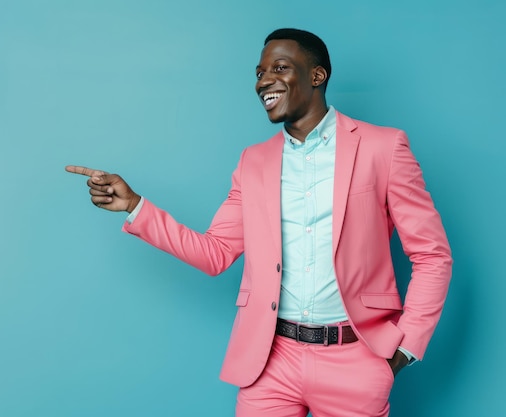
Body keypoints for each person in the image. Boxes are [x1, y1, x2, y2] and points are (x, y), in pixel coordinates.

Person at [66, 28, 452, 417]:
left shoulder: (382, 147)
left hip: (354, 358)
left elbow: (432, 254)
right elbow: (214, 253)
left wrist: (404, 349)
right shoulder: (254, 161)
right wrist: (135, 206)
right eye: (259, 72)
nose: (264, 81)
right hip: (270, 362)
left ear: (317, 76)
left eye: (279, 68)